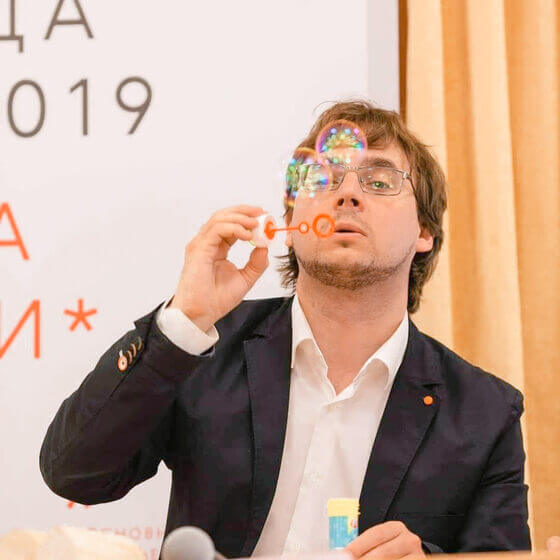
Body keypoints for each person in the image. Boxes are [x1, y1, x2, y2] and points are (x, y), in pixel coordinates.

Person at [40, 100, 531, 558]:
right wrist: (183, 322)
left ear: (424, 231)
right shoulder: (206, 349)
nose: (347, 194)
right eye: (322, 179)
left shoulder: (485, 414)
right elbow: (74, 473)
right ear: (291, 223)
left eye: (380, 182)